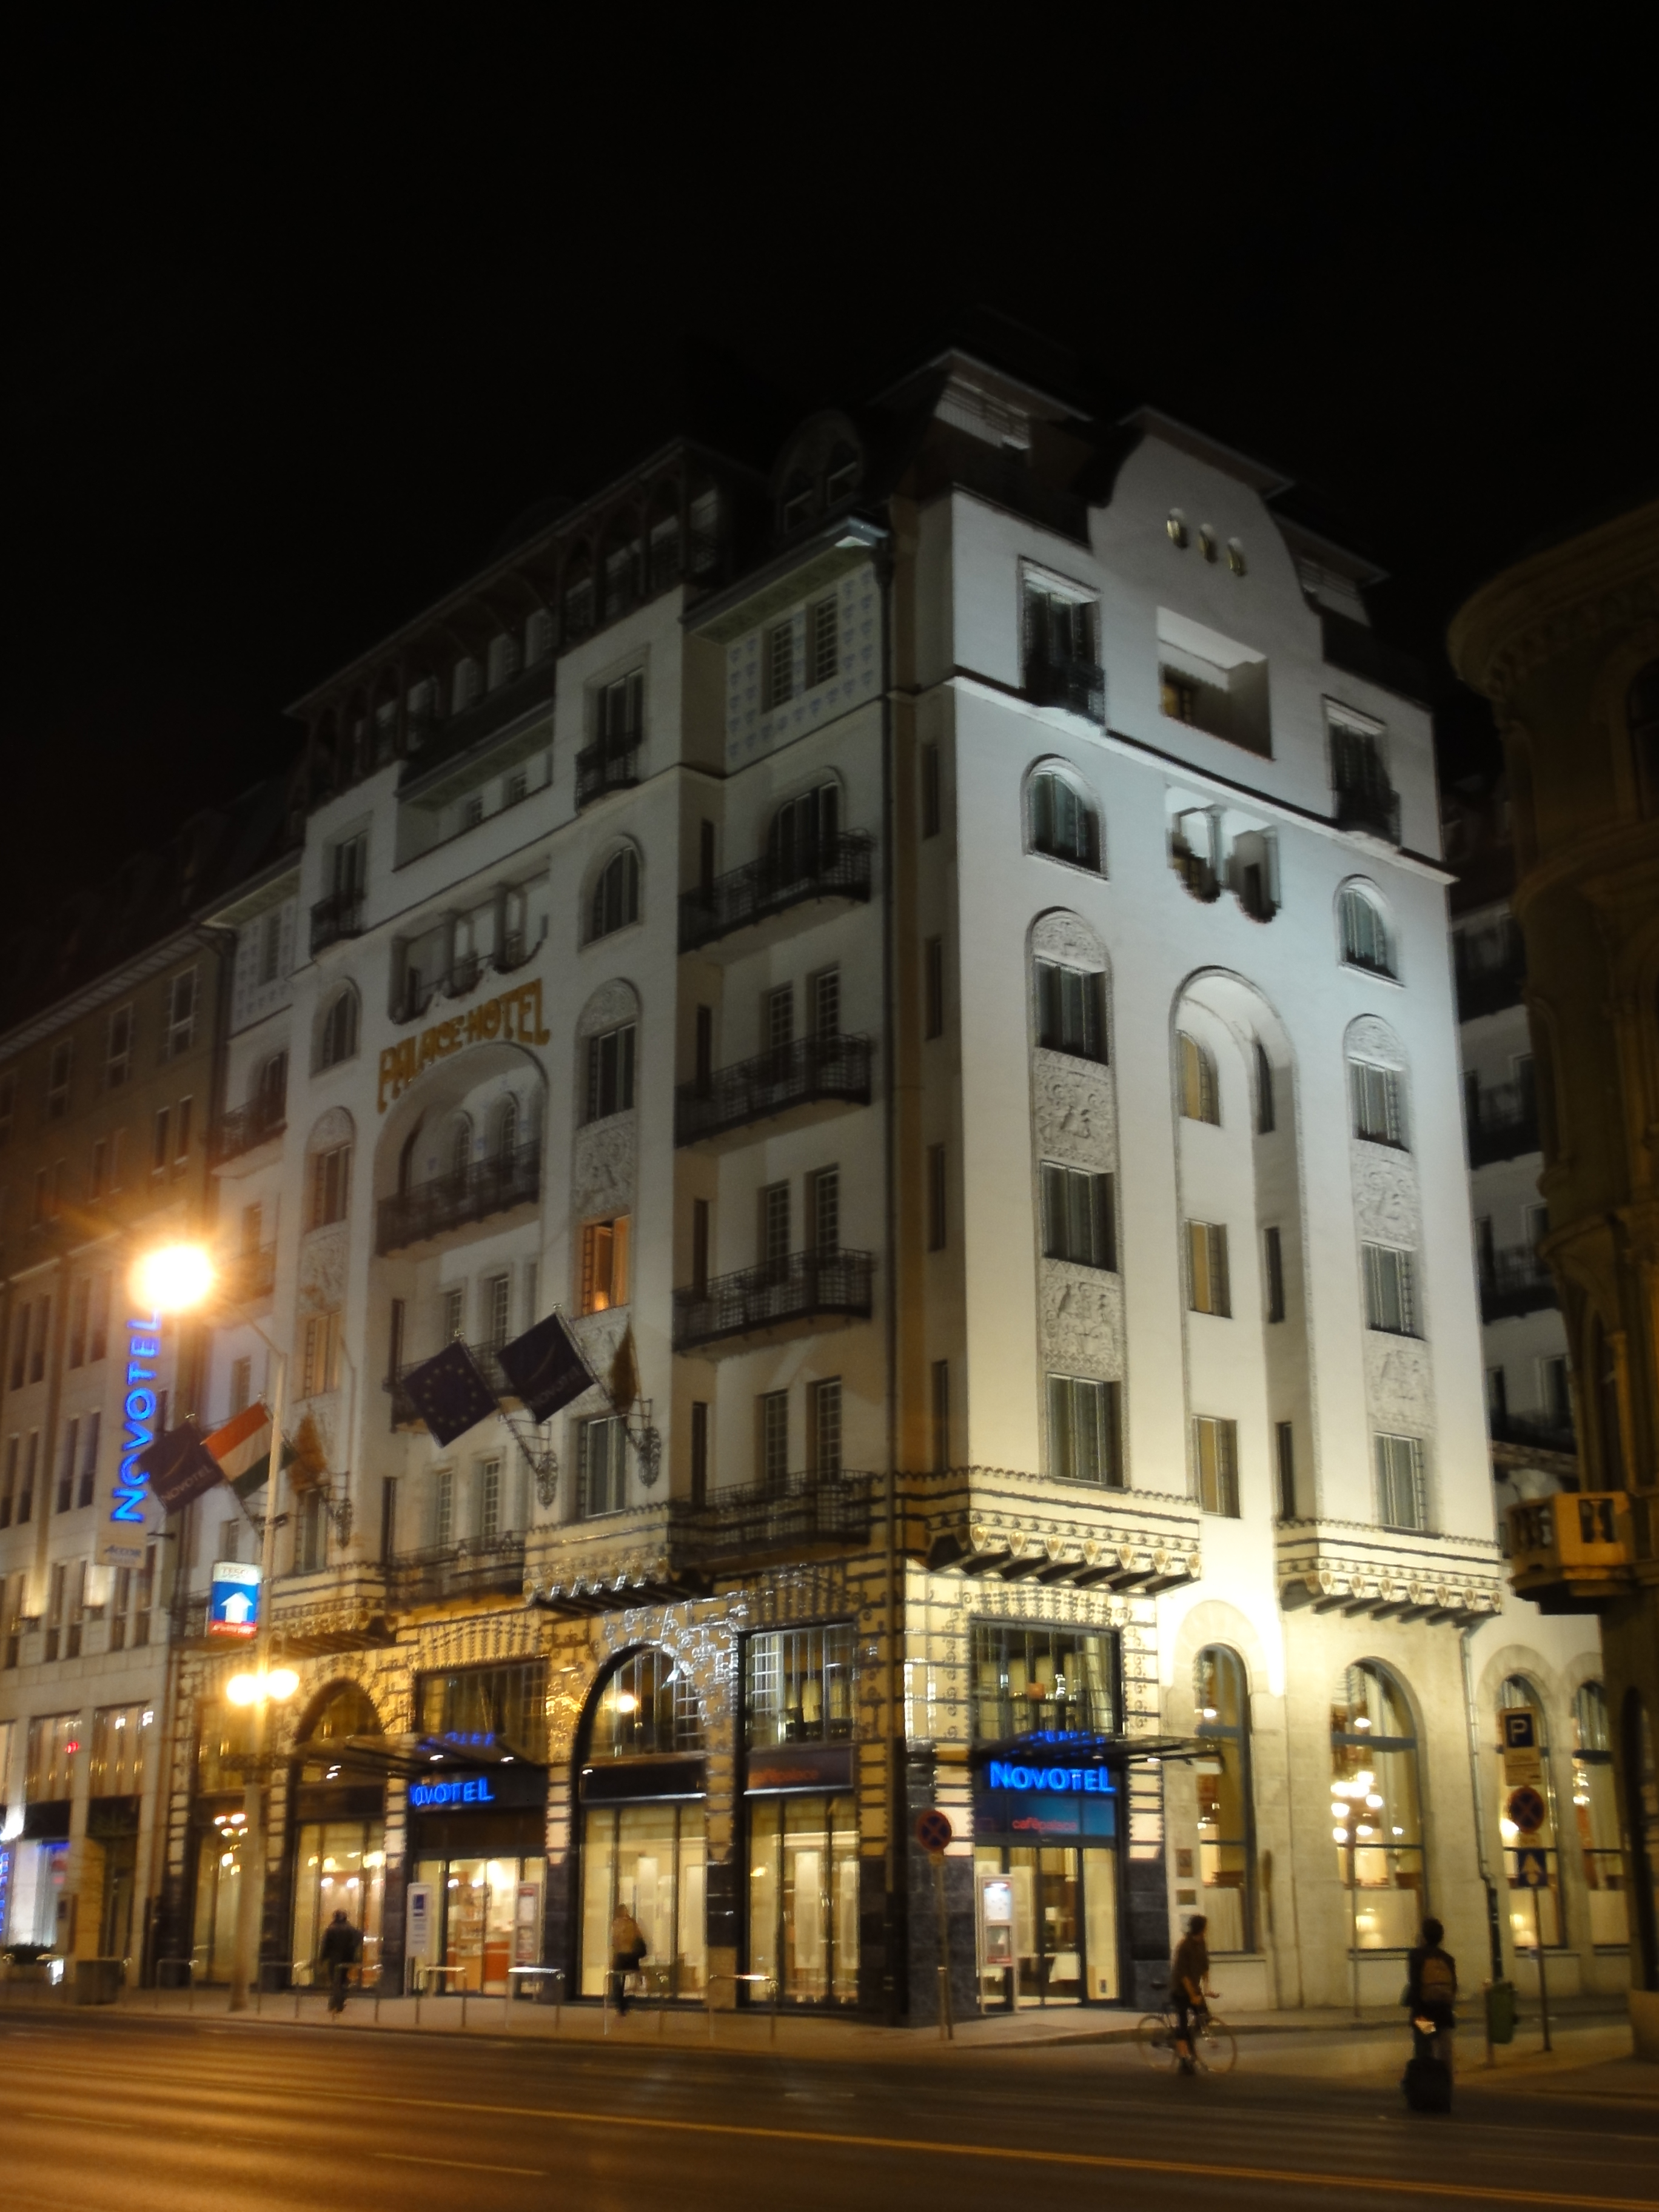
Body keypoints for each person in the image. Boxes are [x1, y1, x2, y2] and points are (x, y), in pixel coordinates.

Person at [1404, 1916, 1457, 2069]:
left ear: (1424, 1936)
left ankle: (1426, 2078)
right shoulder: (1447, 1959)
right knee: (1444, 2055)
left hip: (1423, 2015)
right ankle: (1445, 2078)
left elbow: (1415, 1984)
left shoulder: (1416, 1956)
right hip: (1444, 2016)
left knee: (1424, 2052)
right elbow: (1454, 1987)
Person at [1169, 1913, 1210, 2073]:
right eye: (1205, 1928)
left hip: (1194, 1987)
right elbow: (1183, 1975)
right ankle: (1184, 2060)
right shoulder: (1184, 1946)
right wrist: (1192, 1996)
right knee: (1183, 2023)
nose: (1206, 1931)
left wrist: (1207, 1988)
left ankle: (1189, 2039)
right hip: (1180, 1990)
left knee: (1205, 2017)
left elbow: (1205, 1967)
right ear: (1200, 1929)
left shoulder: (1202, 1943)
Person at [318, 1908, 362, 2017]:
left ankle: (336, 2003)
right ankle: (339, 2001)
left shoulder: (331, 1929)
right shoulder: (350, 1929)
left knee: (335, 1981)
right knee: (342, 1979)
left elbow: (325, 1946)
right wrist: (351, 1950)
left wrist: (322, 1959)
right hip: (346, 1959)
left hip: (334, 1959)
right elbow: (359, 1936)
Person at [610, 1905, 647, 2016]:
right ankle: (626, 2001)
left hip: (622, 1958)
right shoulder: (632, 1923)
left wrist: (613, 1959)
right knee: (630, 1978)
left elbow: (615, 1942)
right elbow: (639, 1937)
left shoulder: (617, 1924)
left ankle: (622, 2004)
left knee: (618, 1981)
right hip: (632, 1958)